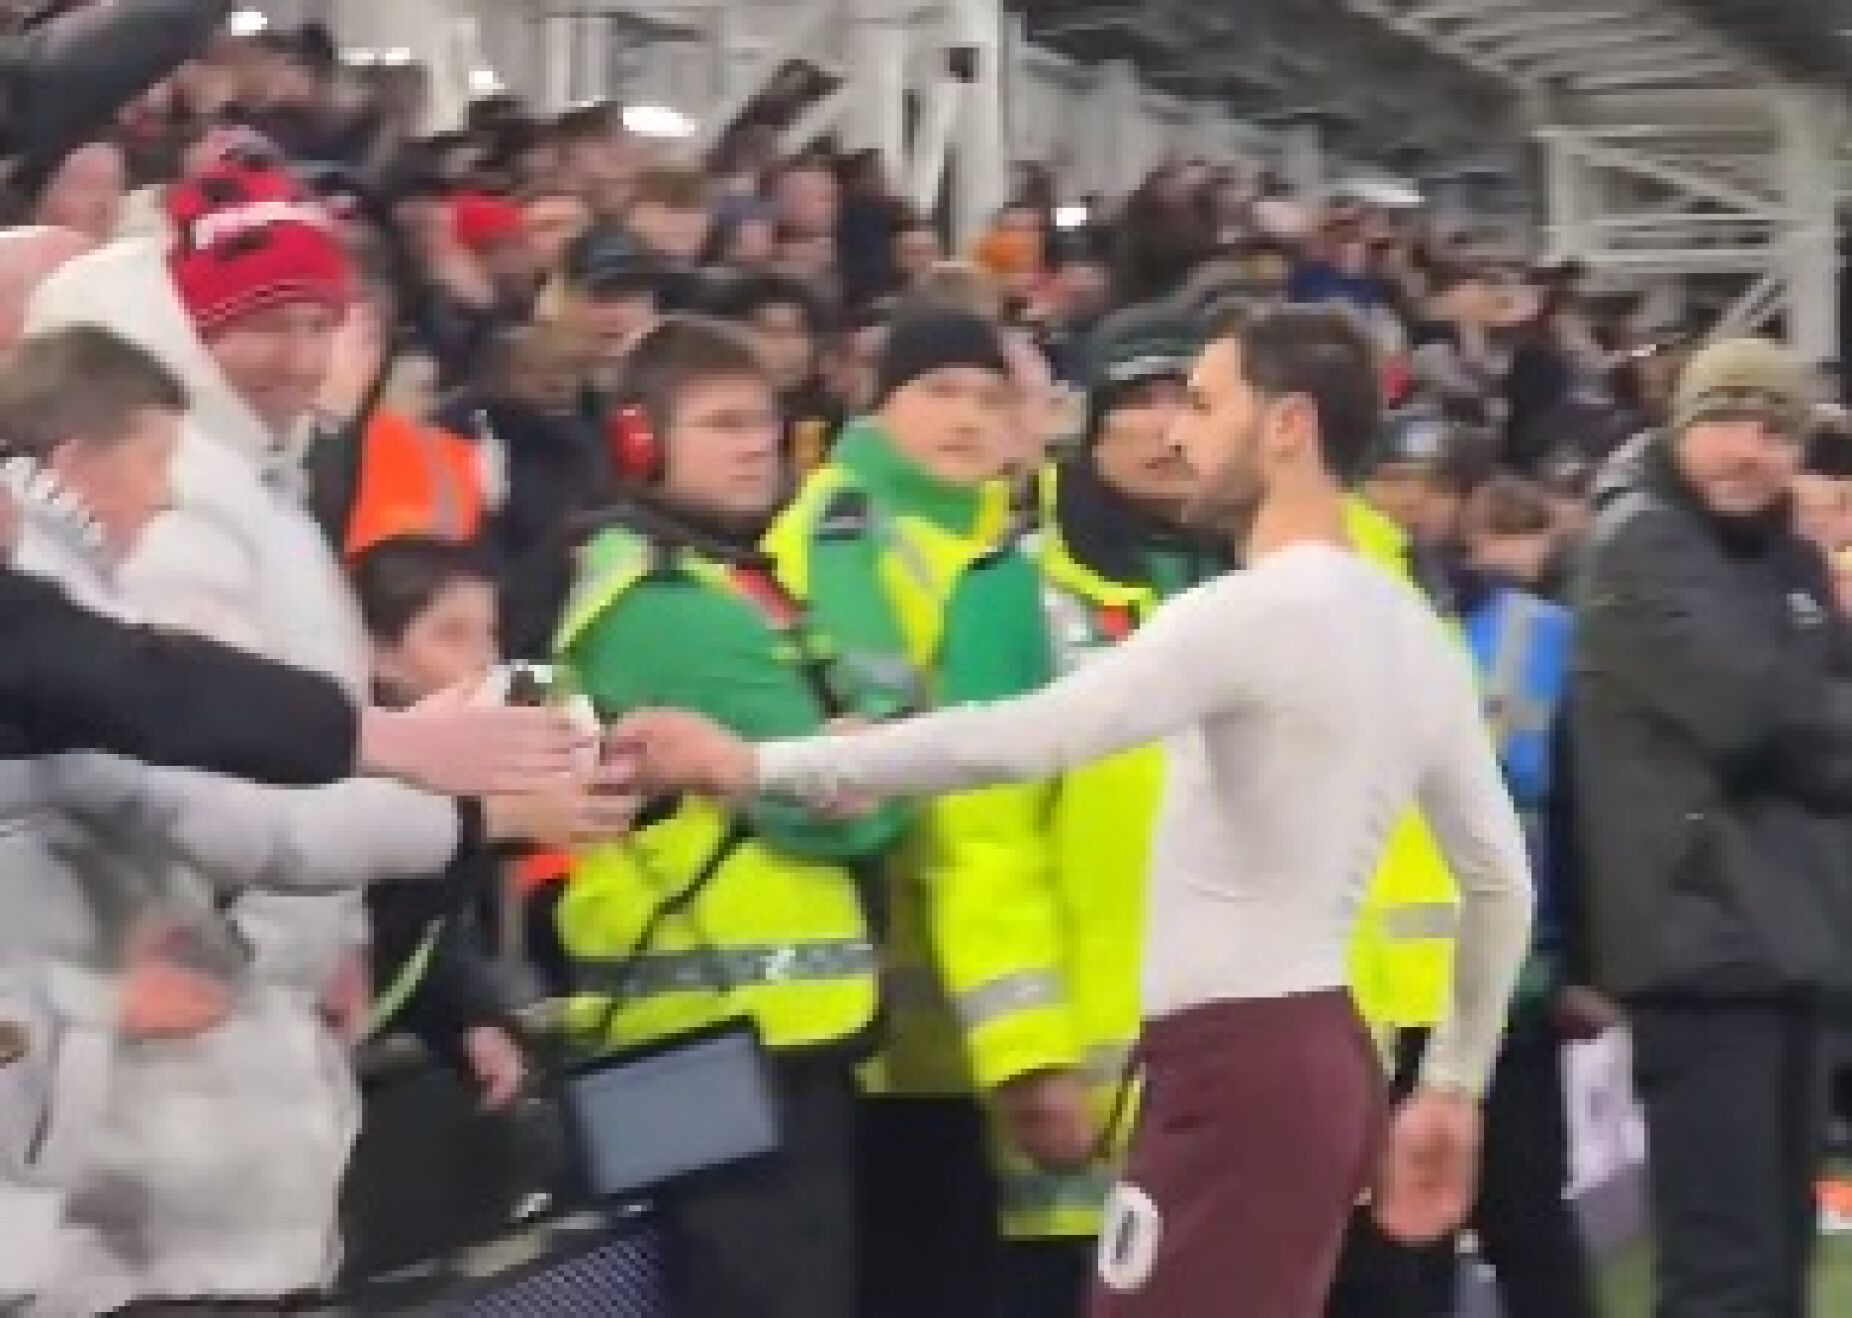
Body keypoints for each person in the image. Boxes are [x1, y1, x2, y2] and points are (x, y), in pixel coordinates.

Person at [621, 304, 1535, 1318]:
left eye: (1201, 403)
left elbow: (1022, 737)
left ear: (1286, 428)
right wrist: (1451, 1079)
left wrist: (752, 764)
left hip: (1238, 1066)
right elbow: (1499, 880)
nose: (1177, 435)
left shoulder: (1241, 614)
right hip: (1328, 1050)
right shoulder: (1404, 620)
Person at [19, 161, 603, 1311]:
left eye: (316, 324)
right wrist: (462, 803)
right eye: (265, 325)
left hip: (201, 1057)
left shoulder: (242, 481)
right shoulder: (173, 499)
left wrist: (328, 929)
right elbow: (206, 786)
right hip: (149, 1099)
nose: (298, 357)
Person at [552, 316, 907, 1318]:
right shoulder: (671, 605)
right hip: (722, 1041)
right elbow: (839, 813)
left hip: (743, 1034)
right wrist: (866, 756)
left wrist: (859, 753)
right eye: (721, 424)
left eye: (764, 421)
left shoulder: (729, 577)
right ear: (640, 443)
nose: (758, 443)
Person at [762, 307, 1064, 1318]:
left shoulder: (980, 536)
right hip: (899, 1009)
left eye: (989, 398)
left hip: (963, 1004)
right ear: (877, 402)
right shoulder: (847, 529)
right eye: (938, 392)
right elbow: (898, 746)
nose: (967, 419)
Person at [1574, 338, 1852, 1318]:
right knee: (1725, 1271)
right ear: (1679, 426)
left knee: (1774, 1260)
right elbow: (1752, 711)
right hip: (1700, 949)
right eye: (1726, 422)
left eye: (1775, 430)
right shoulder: (1638, 540)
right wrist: (1814, 668)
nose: (1750, 449)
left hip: (1779, 942)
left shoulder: (1780, 553)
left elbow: (1813, 728)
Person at [993, 304, 1226, 1318]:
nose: (1168, 426)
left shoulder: (1279, 577)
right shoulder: (1014, 595)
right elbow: (983, 844)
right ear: (1089, 426)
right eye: (1140, 401)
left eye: (1194, 400)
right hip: (1097, 1084)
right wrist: (1024, 1050)